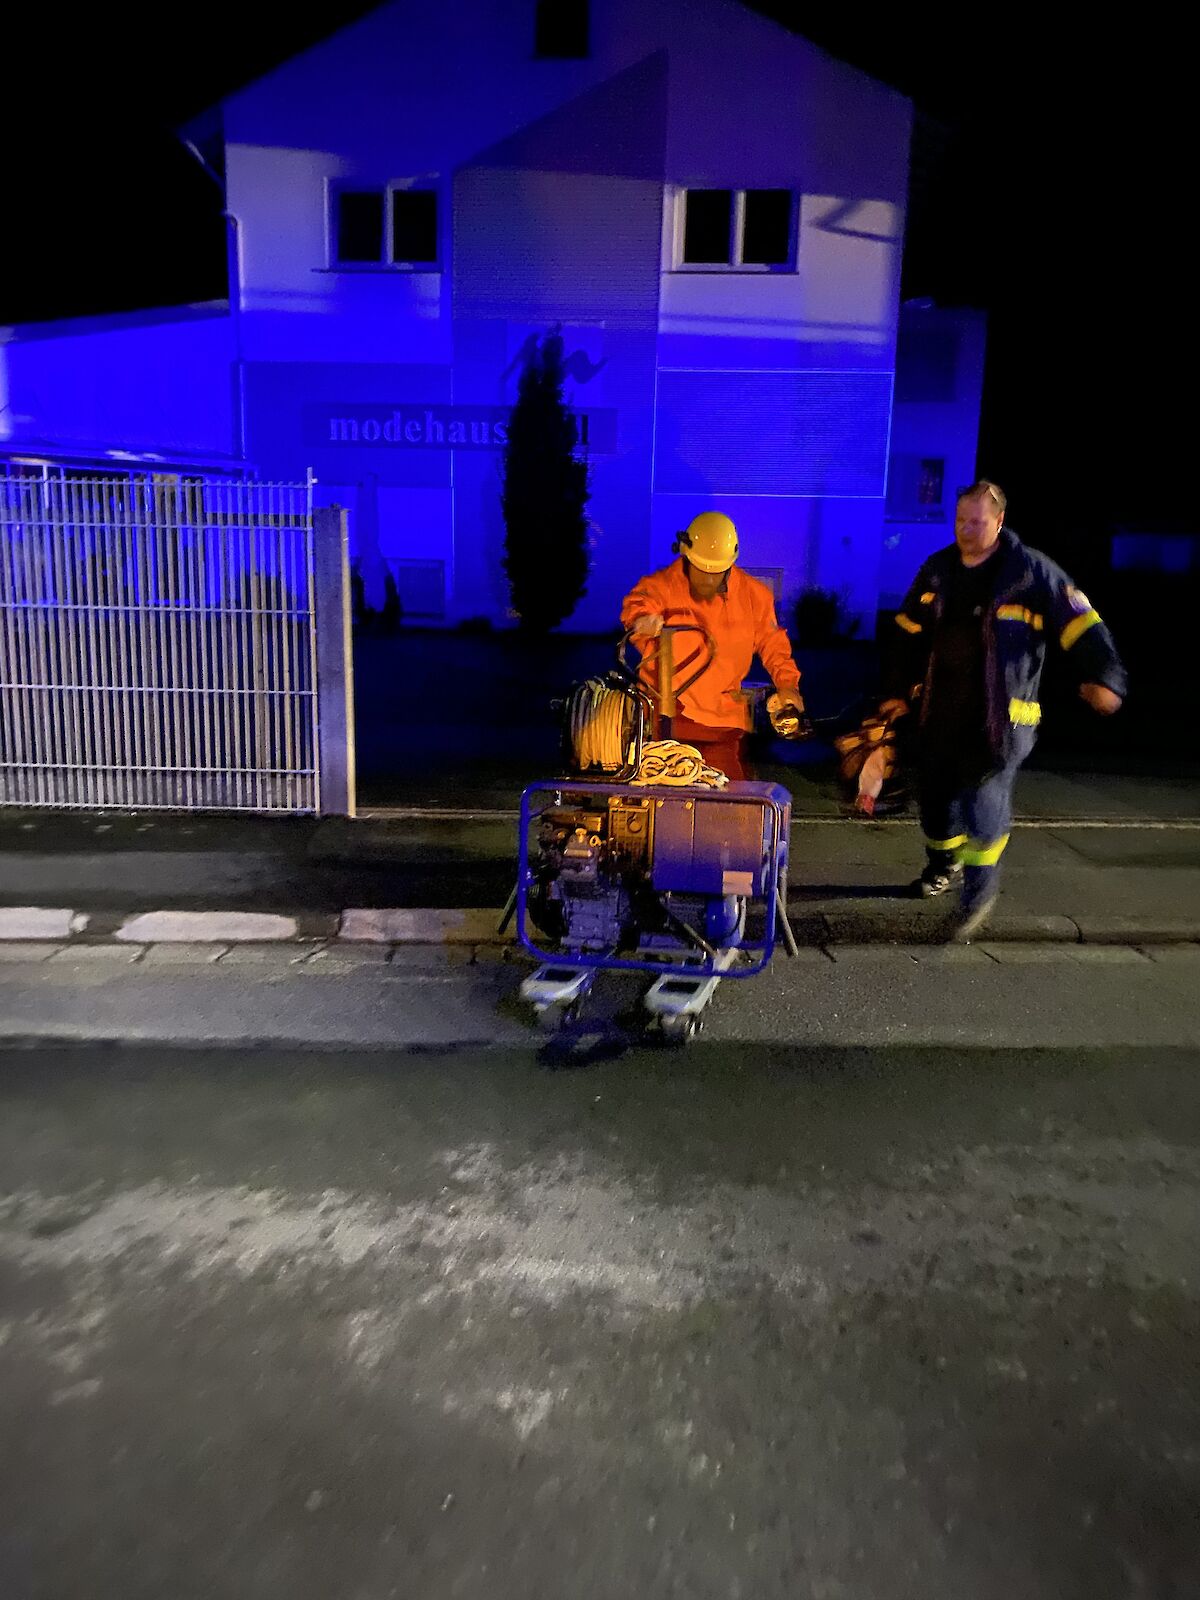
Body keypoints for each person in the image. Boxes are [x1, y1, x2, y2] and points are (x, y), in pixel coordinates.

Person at [881, 480, 1126, 940]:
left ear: (998, 522)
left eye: (977, 522)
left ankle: (976, 897)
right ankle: (943, 862)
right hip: (938, 717)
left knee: (984, 809)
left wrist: (1105, 678)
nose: (967, 530)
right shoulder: (937, 571)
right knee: (936, 808)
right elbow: (906, 634)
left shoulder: (1030, 573)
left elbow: (1082, 624)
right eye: (960, 521)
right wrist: (895, 692)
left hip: (1000, 724)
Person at [620, 512, 804, 782]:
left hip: (721, 723)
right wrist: (642, 620)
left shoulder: (755, 597)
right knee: (659, 800)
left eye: (715, 573)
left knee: (729, 803)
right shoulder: (661, 586)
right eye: (700, 570)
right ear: (685, 555)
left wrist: (788, 685)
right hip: (662, 721)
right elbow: (638, 605)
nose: (707, 580)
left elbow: (773, 643)